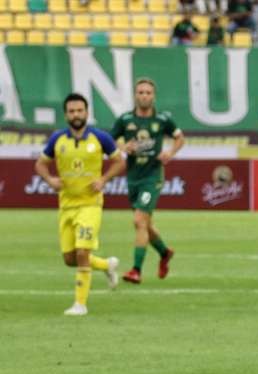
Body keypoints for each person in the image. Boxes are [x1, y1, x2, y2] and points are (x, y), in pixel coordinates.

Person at [34, 93, 124, 316]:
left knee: (83, 251)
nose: (76, 115)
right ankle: (106, 265)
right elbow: (40, 164)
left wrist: (103, 179)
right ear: (66, 115)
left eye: (80, 110)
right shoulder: (58, 139)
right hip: (66, 206)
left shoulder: (100, 138)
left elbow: (119, 162)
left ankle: (80, 304)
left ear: (86, 112)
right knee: (70, 259)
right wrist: (50, 180)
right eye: (72, 111)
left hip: (90, 205)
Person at [110, 78, 184, 284]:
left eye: (148, 92)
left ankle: (136, 270)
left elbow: (180, 137)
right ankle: (164, 252)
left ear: (154, 96)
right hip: (133, 177)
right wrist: (123, 148)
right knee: (146, 225)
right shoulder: (125, 120)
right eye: (140, 92)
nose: (144, 96)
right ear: (135, 95)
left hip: (152, 177)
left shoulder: (162, 119)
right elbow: (110, 141)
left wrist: (170, 152)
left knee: (139, 221)